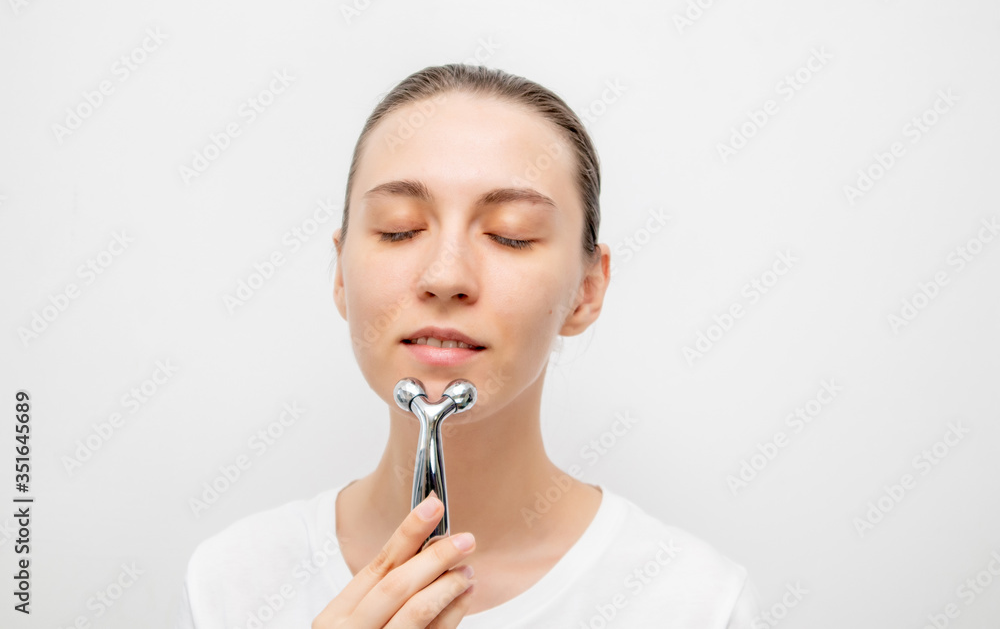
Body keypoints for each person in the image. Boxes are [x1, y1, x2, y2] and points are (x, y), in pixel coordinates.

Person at [175, 64, 760, 628]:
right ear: (341, 276)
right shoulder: (232, 584)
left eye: (511, 235)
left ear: (586, 290)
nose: (446, 275)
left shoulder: (695, 604)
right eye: (399, 229)